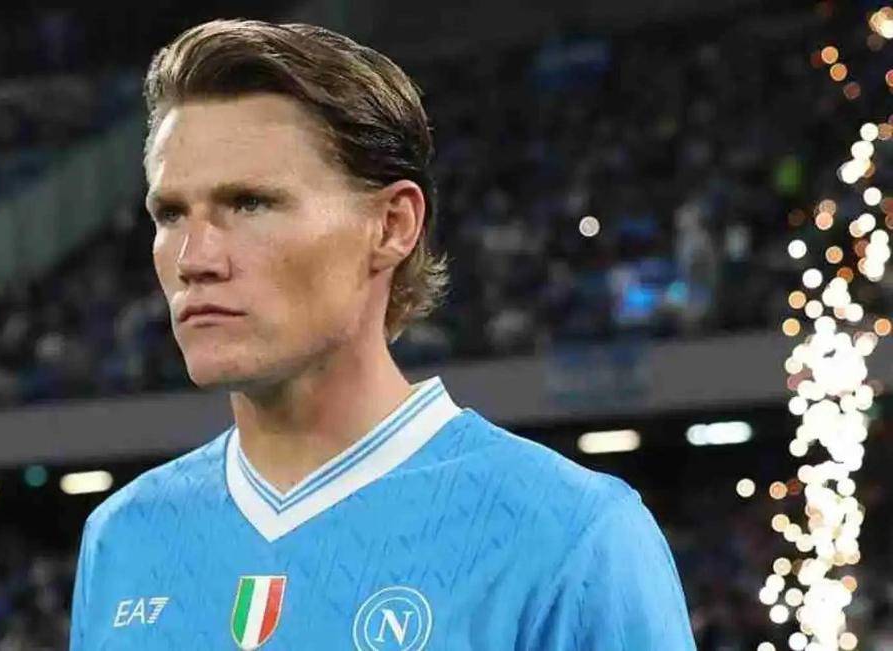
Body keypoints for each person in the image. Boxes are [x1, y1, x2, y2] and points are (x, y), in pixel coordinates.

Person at [69, 18, 695, 650]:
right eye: (170, 213)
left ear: (393, 225)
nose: (194, 258)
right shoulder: (123, 539)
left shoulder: (570, 535)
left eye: (250, 203)